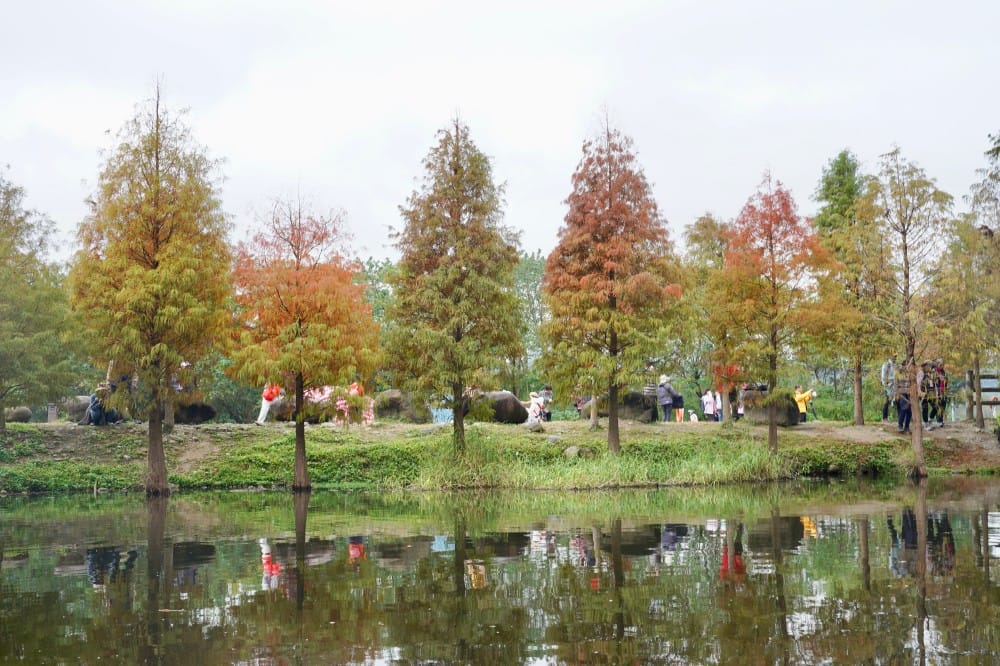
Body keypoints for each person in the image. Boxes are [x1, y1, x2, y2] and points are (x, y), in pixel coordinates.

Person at [895, 362, 913, 435]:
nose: (906, 367)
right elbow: (895, 385)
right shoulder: (898, 374)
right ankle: (900, 425)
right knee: (903, 409)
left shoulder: (910, 374)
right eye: (905, 365)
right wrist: (897, 394)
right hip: (901, 393)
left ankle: (907, 427)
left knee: (909, 411)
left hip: (909, 394)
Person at [880, 353, 897, 424]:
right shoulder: (886, 365)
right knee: (887, 402)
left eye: (895, 356)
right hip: (888, 386)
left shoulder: (895, 365)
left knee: (896, 401)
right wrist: (885, 386)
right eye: (894, 356)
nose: (895, 357)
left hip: (895, 386)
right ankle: (884, 418)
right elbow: (883, 376)